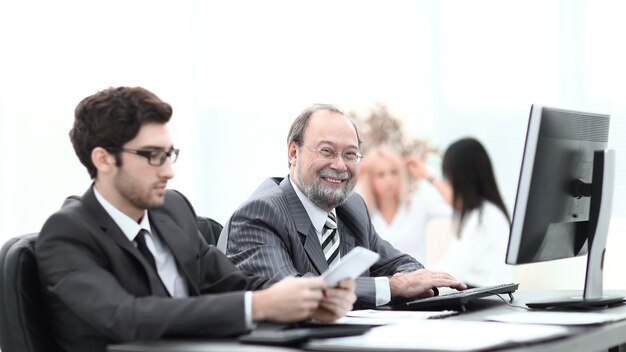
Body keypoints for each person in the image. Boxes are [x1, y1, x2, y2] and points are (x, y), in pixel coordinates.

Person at [36, 87, 356, 352]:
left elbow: (232, 283)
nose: (168, 171)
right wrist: (260, 306)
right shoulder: (67, 232)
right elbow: (127, 316)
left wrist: (306, 298)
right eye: (152, 156)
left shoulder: (171, 209)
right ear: (103, 159)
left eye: (169, 154)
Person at [217, 104, 466, 308]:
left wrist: (412, 282)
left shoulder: (352, 207)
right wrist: (393, 287)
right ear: (293, 153)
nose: (339, 165)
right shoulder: (260, 214)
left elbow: (402, 266)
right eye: (327, 151)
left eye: (350, 154)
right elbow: (293, 294)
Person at [425, 137, 514, 287]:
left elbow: (451, 268)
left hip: (487, 299)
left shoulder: (483, 216)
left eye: (448, 176)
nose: (448, 182)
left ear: (460, 177)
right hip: (488, 296)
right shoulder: (485, 211)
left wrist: (410, 277)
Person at [357, 145, 452, 264]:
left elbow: (455, 205)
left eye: (394, 172)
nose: (389, 180)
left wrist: (427, 175)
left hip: (421, 279)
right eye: (381, 174)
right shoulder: (363, 215)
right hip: (384, 282)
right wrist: (355, 175)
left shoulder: (418, 205)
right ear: (371, 179)